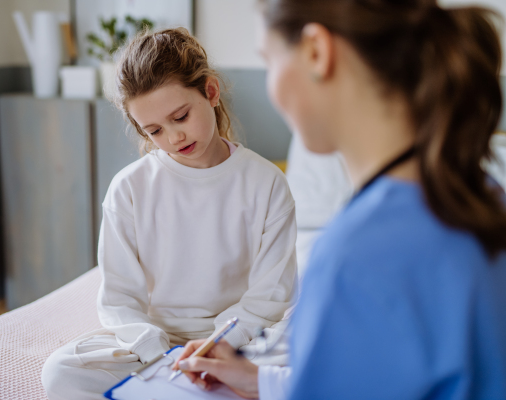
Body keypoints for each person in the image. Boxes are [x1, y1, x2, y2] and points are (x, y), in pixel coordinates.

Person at [173, 0, 506, 399]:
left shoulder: (356, 257)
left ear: (316, 51)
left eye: (270, 60)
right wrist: (261, 380)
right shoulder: (483, 194)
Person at [41, 28, 298, 399]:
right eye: (155, 130)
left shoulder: (267, 183)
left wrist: (216, 348)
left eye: (180, 116)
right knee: (62, 372)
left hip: (237, 338)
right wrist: (160, 354)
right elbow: (120, 300)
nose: (174, 137)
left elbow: (269, 298)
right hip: (152, 343)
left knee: (304, 366)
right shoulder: (129, 189)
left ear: (210, 92)